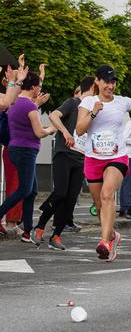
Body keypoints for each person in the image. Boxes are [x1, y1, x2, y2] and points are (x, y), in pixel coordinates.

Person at [76, 65, 131, 262]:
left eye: (113, 82)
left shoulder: (123, 102)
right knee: (100, 206)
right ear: (97, 81)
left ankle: (105, 242)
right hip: (93, 158)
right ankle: (112, 235)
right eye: (106, 82)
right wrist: (94, 112)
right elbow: (79, 130)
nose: (110, 86)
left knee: (107, 195)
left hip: (117, 157)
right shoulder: (88, 102)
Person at [31, 76, 95, 250]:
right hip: (64, 154)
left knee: (70, 199)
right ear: (90, 89)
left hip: (81, 157)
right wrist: (66, 132)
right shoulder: (73, 103)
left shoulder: (93, 110)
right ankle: (39, 227)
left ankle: (56, 235)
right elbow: (54, 115)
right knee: (60, 193)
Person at [0, 71, 54, 240]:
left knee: (32, 191)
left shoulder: (15, 103)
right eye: (40, 86)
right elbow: (38, 132)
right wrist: (52, 129)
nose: (41, 89)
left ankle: (27, 230)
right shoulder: (30, 105)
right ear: (34, 87)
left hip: (15, 148)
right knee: (24, 189)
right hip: (26, 150)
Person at [118, 117, 131, 219]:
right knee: (128, 182)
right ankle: (125, 206)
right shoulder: (130, 124)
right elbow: (124, 138)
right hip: (128, 155)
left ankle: (125, 207)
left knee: (130, 182)